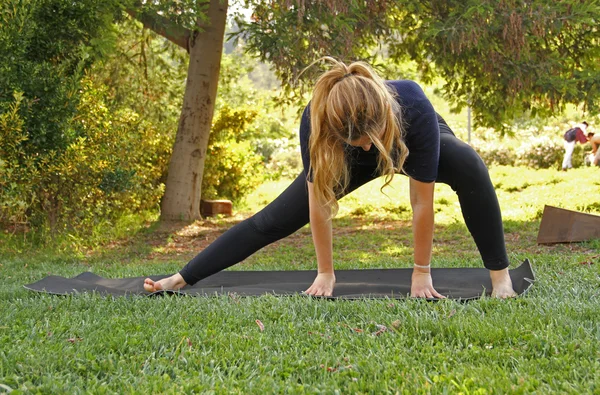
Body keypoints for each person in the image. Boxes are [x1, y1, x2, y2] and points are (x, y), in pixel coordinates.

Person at [144, 58, 517, 299]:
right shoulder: (316, 123)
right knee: (275, 219)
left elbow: (421, 202)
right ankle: (183, 277)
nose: (371, 150)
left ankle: (501, 280)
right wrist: (325, 273)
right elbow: (319, 205)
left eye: (373, 140)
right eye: (361, 142)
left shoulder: (412, 104)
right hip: (343, 149)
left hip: (409, 137)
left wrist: (421, 273)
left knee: (469, 165)